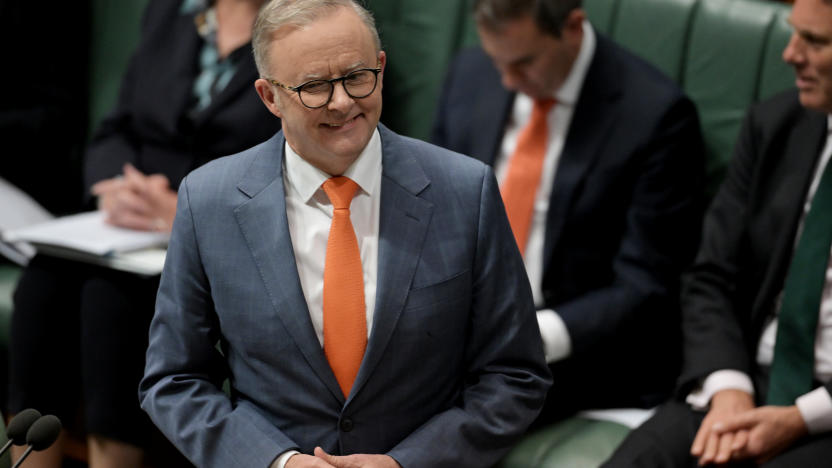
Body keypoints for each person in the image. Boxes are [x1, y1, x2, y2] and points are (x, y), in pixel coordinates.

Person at [138, 0, 552, 467]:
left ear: (380, 65)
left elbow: (514, 375)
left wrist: (407, 463)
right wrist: (278, 462)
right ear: (269, 96)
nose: (342, 103)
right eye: (314, 87)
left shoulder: (464, 191)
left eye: (357, 77)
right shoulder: (208, 201)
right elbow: (174, 380)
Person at [7, 0, 278, 467]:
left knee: (109, 296)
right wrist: (116, 188)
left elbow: (306, 159)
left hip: (231, 232)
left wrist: (189, 210)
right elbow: (117, 127)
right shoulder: (170, 12)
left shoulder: (308, 25)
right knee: (44, 280)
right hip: (135, 226)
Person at [431, 0, 705, 419]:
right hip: (457, 322)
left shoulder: (656, 116)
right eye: (496, 61)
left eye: (523, 63)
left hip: (568, 348)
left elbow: (646, 286)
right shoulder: (472, 74)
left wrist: (527, 335)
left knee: (427, 412)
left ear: (573, 27)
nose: (506, 80)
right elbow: (432, 208)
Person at [603, 0, 832, 466]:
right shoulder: (774, 126)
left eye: (816, 41)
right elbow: (711, 276)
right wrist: (729, 387)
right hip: (745, 380)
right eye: (794, 33)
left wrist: (800, 418)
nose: (790, 54)